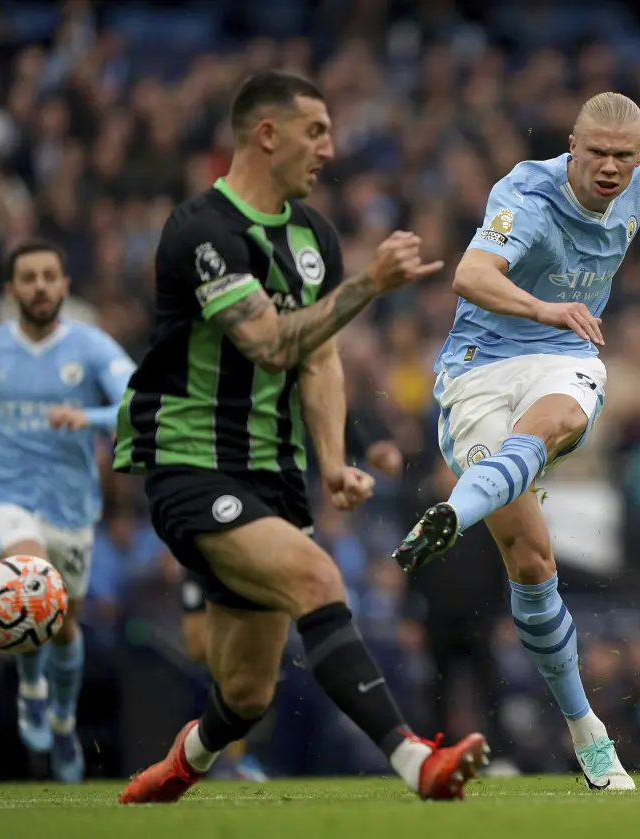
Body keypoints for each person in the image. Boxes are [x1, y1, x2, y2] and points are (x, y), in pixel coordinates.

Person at [392, 84, 640, 790]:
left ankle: (457, 511)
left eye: (625, 157)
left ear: (638, 155)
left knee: (566, 415)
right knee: (531, 562)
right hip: (481, 368)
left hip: (564, 355)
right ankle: (584, 720)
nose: (612, 169)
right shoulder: (526, 192)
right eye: (600, 154)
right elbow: (470, 273)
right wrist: (544, 307)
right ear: (572, 148)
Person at [112, 70, 485, 804]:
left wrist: (332, 457)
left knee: (246, 691)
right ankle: (417, 760)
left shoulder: (313, 235)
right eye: (316, 130)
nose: (329, 147)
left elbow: (319, 354)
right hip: (192, 463)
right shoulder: (202, 230)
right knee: (318, 576)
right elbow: (271, 345)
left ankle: (178, 767)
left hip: (273, 472)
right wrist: (369, 287)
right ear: (266, 133)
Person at [0, 239, 136, 783]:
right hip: (3, 491)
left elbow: (136, 398)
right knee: (31, 579)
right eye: (28, 277)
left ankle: (60, 718)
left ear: (64, 284)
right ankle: (31, 690)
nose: (40, 286)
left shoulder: (92, 346)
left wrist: (91, 418)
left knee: (65, 626)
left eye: (49, 275)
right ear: (11, 290)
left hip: (72, 503)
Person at [176, 430, 403, 782]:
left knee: (306, 679)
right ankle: (227, 758)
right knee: (225, 670)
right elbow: (195, 644)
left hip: (298, 637)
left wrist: (363, 450)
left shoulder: (313, 528)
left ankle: (317, 765)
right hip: (220, 547)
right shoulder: (205, 513)